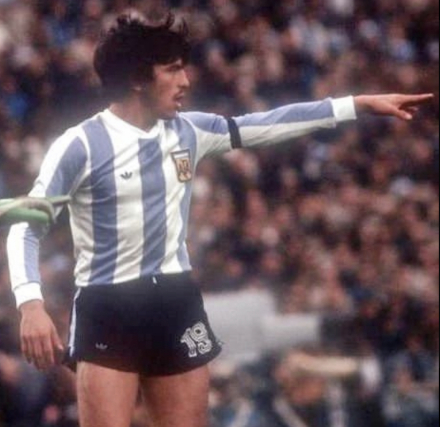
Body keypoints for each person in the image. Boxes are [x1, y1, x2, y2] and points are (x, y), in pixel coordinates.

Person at [6, 12, 434, 427]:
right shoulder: (79, 145)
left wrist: (355, 105)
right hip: (108, 306)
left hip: (175, 302)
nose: (186, 81)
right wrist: (31, 304)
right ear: (137, 78)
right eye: (172, 70)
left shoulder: (190, 131)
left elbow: (267, 124)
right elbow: (27, 225)